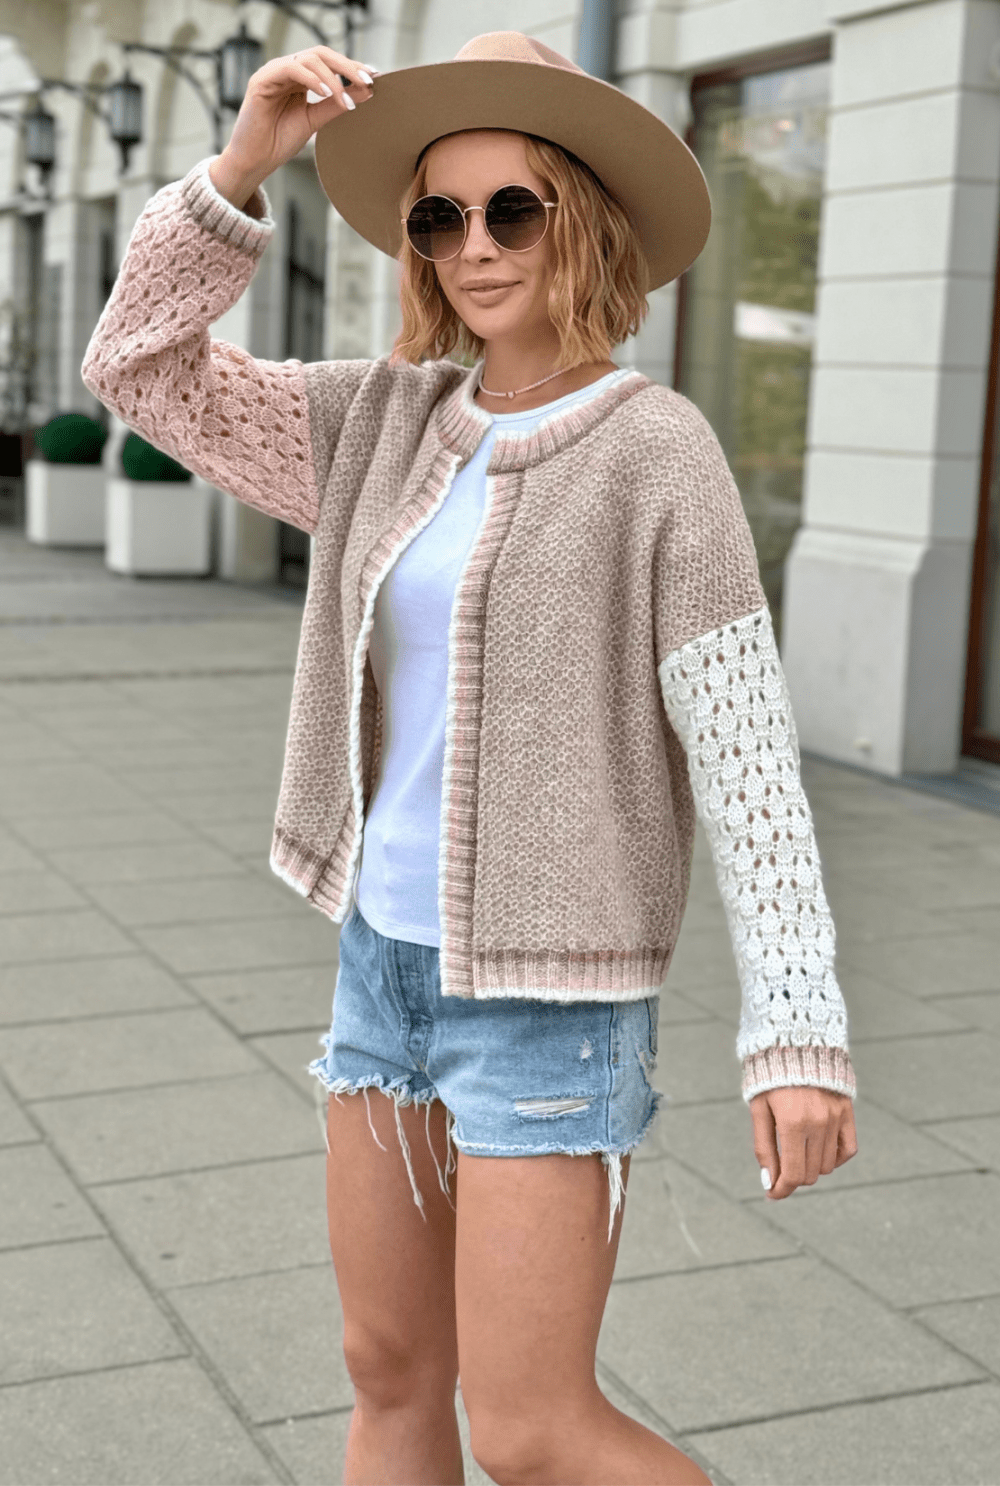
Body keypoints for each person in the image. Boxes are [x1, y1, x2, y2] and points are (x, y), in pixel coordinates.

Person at [82, 30, 859, 1486]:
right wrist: (242, 168)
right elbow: (139, 368)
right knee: (388, 1377)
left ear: (585, 217)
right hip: (380, 971)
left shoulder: (657, 453)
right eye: (439, 216)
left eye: (513, 208)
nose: (474, 246)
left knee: (531, 1432)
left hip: (549, 1004)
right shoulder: (378, 422)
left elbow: (750, 762)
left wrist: (796, 1028)